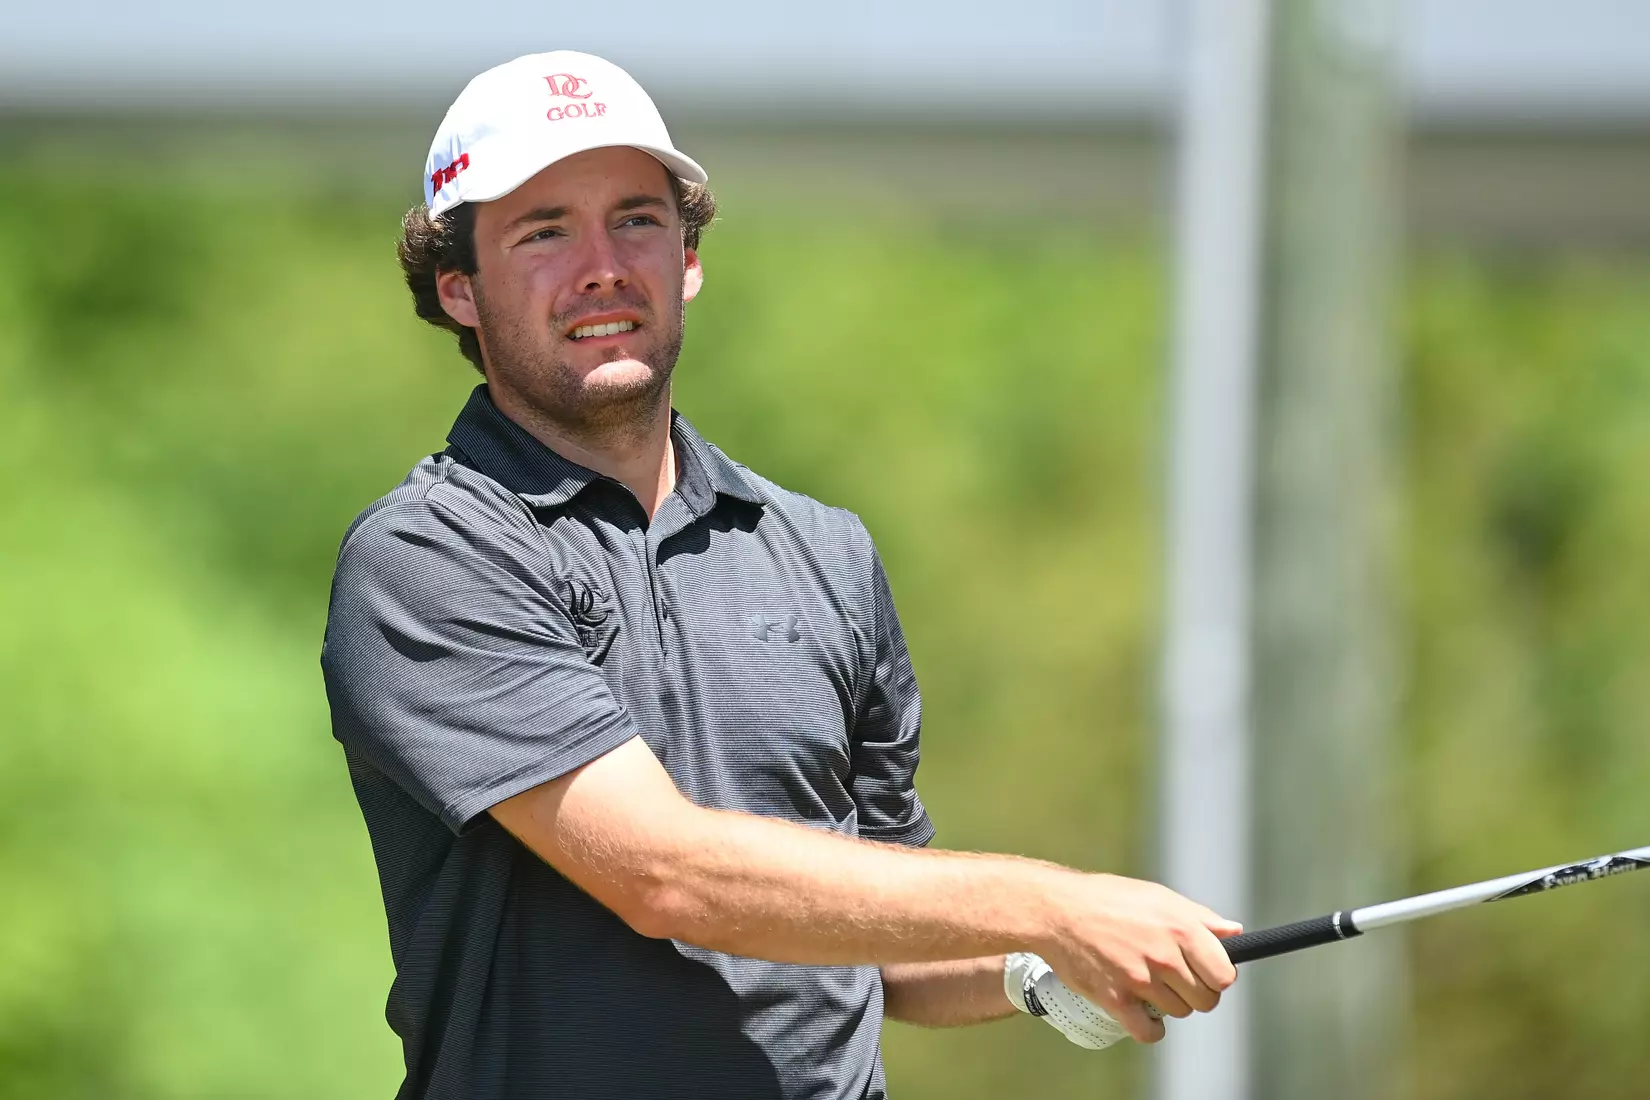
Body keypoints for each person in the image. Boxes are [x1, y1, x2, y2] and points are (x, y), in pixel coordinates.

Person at [321, 49, 1240, 1100]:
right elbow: (663, 872)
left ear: (691, 259)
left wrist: (1048, 965)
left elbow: (889, 945)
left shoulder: (824, 550)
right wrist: (1058, 905)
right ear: (457, 288)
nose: (602, 265)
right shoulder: (428, 556)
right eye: (543, 231)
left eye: (637, 219)